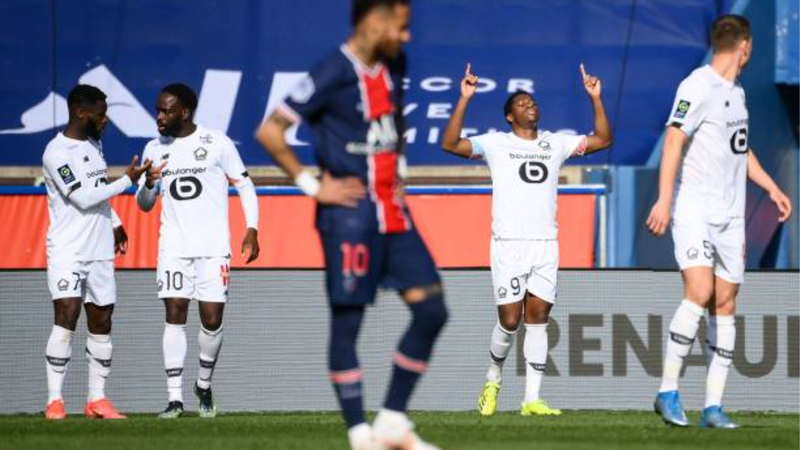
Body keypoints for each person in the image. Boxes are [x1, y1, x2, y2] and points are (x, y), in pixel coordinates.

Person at [256, 1, 448, 449]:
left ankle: (392, 421)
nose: (407, 37)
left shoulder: (395, 65)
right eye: (401, 28)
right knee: (348, 326)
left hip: (393, 214)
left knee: (433, 310)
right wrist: (311, 185)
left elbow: (394, 119)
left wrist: (397, 168)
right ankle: (360, 434)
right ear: (374, 23)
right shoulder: (331, 71)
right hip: (349, 219)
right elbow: (271, 131)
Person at [441, 63, 612, 417]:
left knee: (538, 317)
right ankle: (493, 378)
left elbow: (603, 140)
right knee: (509, 319)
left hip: (545, 243)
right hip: (508, 243)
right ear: (508, 116)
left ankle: (531, 399)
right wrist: (464, 98)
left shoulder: (556, 143)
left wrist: (595, 98)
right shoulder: (495, 143)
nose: (529, 105)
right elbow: (450, 144)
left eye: (532, 101)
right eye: (521, 103)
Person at [647, 14, 792, 429]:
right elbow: (674, 137)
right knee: (700, 290)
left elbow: (740, 150)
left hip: (731, 217)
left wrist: (772, 187)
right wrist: (664, 198)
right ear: (744, 46)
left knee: (725, 303)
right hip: (696, 209)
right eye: (749, 47)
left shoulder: (737, 92)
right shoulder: (697, 85)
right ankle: (667, 390)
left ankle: (713, 406)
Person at [136, 83, 260, 419]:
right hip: (173, 247)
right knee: (174, 314)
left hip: (213, 248)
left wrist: (252, 228)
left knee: (212, 321)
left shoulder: (216, 142)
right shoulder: (153, 149)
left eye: (166, 110)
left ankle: (203, 386)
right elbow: (145, 206)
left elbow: (245, 184)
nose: (159, 116)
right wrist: (148, 183)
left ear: (184, 112)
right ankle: (174, 399)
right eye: (158, 109)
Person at [42, 84, 151, 419]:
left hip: (100, 249)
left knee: (102, 319)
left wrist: (115, 221)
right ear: (81, 112)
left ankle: (96, 400)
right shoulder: (56, 153)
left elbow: (97, 190)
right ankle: (55, 401)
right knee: (67, 316)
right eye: (101, 114)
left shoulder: (94, 144)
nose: (105, 120)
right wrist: (127, 180)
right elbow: (84, 198)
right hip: (68, 250)